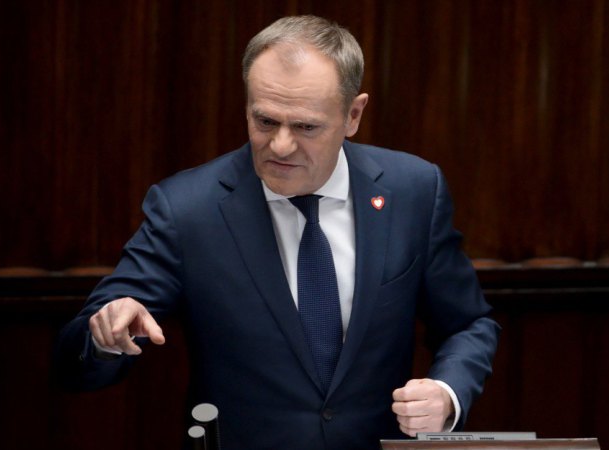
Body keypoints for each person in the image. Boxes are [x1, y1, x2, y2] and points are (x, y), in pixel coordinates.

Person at [54, 15, 500, 450]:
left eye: (306, 127)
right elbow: (75, 360)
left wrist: (448, 393)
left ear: (353, 115)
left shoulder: (413, 190)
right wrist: (104, 335)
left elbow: (468, 323)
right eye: (265, 121)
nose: (281, 146)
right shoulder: (187, 209)